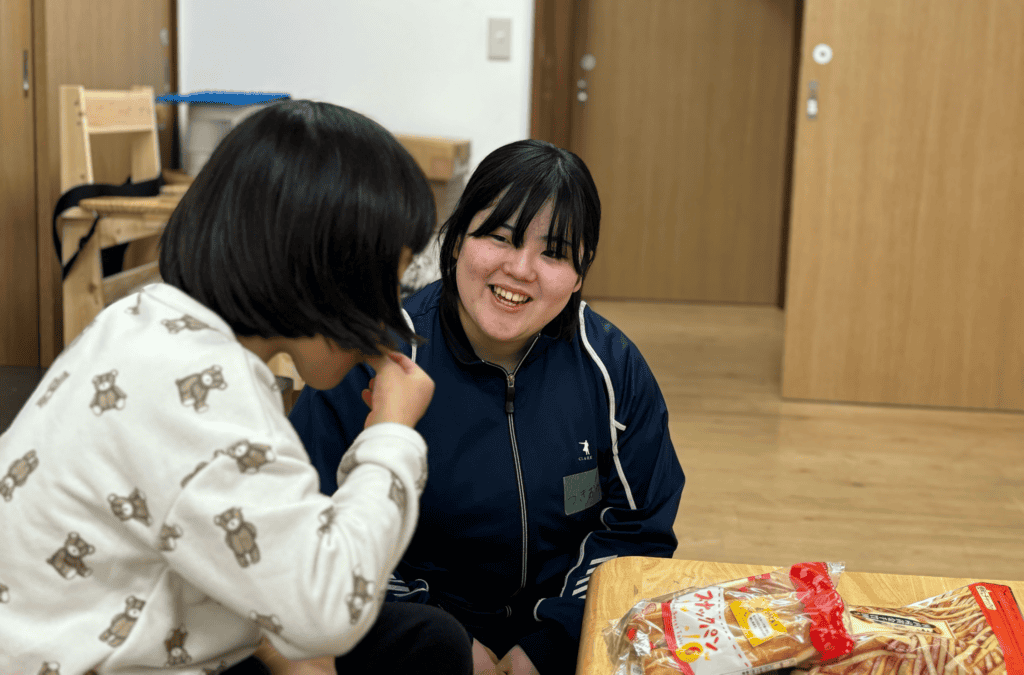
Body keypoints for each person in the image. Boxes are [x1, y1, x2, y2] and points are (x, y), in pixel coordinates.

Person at [0, 100, 473, 675]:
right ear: (318, 271)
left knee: (425, 638)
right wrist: (392, 434)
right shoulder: (204, 399)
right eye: (385, 286)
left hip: (140, 624)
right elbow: (330, 610)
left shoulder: (146, 318)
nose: (391, 318)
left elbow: (229, 542)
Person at [289, 139, 686, 674]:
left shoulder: (610, 367)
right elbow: (315, 525)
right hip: (412, 642)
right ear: (456, 240)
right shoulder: (374, 358)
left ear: (580, 273)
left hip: (566, 641)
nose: (520, 269)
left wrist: (550, 645)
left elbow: (637, 528)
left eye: (553, 252)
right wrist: (445, 639)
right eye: (499, 237)